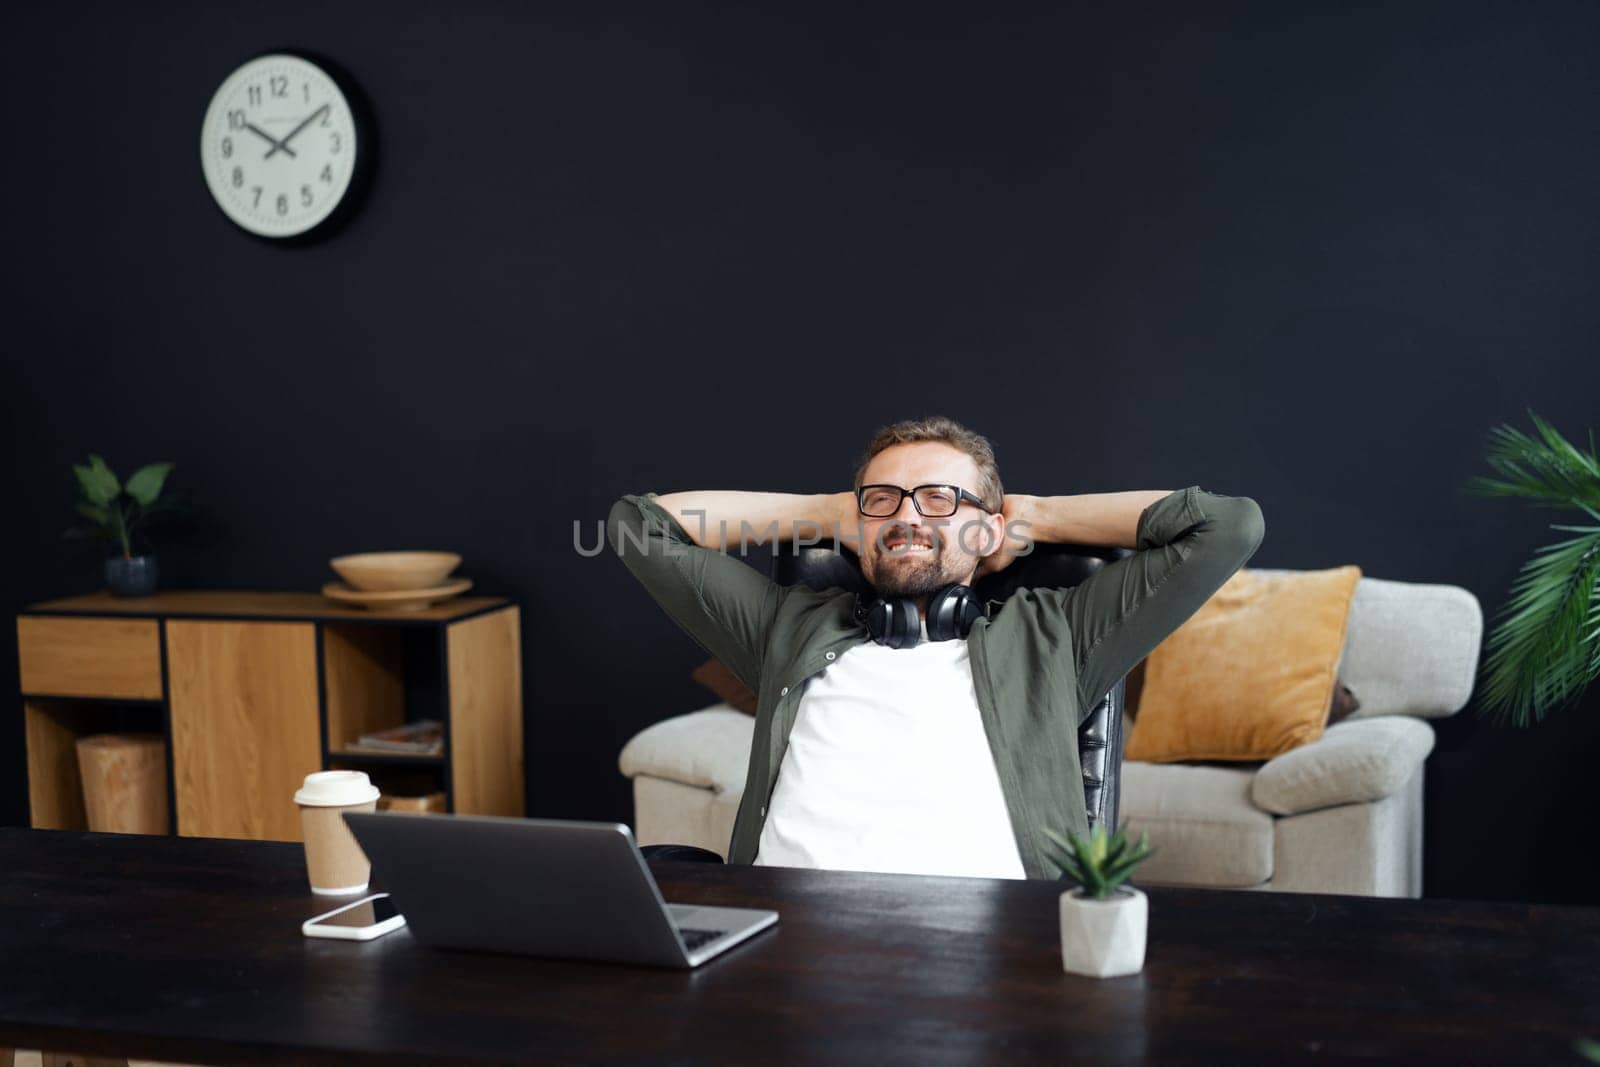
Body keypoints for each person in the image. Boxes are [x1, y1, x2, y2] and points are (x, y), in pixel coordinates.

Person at [607, 415, 1264, 880]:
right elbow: (639, 527)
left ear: (986, 529)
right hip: (789, 939)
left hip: (989, 949)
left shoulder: (1056, 634)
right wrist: (829, 509)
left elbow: (1227, 526)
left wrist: (1035, 517)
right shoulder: (789, 625)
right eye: (883, 499)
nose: (908, 516)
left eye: (941, 499)